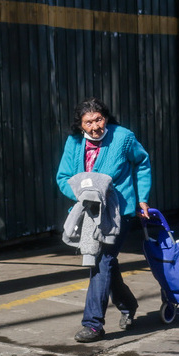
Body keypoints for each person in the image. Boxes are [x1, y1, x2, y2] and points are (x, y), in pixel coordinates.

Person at [56, 98, 152, 343]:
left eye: (99, 119)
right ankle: (128, 304)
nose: (95, 126)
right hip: (89, 212)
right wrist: (84, 194)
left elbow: (142, 162)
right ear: (80, 125)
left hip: (119, 211)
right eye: (88, 122)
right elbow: (64, 177)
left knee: (101, 260)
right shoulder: (74, 143)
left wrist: (143, 198)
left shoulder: (123, 137)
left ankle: (93, 325)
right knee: (107, 264)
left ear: (106, 118)